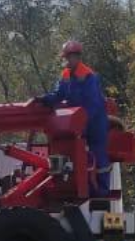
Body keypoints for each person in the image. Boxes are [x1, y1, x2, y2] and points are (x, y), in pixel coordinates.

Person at [34, 40, 111, 196]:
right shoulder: (66, 75)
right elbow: (59, 94)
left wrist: (81, 122)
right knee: (80, 155)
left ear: (76, 57)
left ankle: (102, 190)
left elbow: (94, 104)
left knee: (98, 154)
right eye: (65, 58)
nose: (66, 61)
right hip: (79, 120)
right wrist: (44, 99)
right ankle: (85, 186)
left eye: (68, 57)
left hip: (95, 122)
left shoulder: (89, 76)